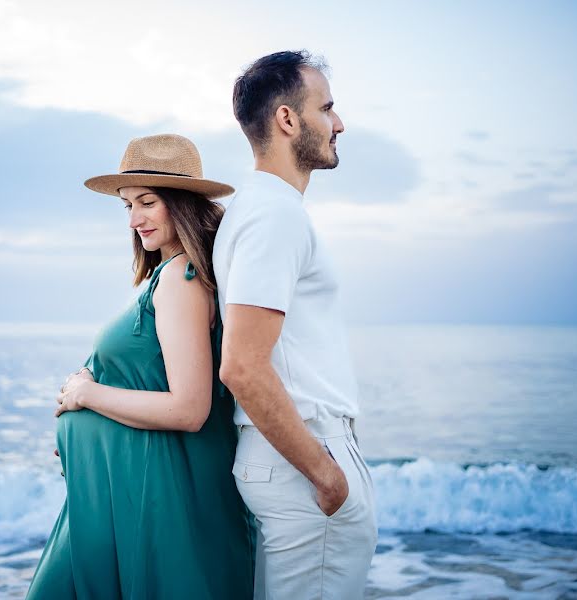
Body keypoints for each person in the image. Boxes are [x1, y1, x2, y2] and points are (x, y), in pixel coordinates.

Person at [25, 133, 255, 599]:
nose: (134, 220)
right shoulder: (165, 274)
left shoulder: (181, 279)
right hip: (126, 491)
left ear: (182, 202)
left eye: (146, 203)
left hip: (160, 496)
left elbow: (190, 409)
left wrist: (88, 396)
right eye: (127, 206)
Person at [214, 50, 378, 598]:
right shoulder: (274, 214)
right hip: (302, 464)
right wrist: (325, 474)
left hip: (288, 462)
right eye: (326, 108)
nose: (339, 123)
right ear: (288, 119)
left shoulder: (257, 209)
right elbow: (241, 364)